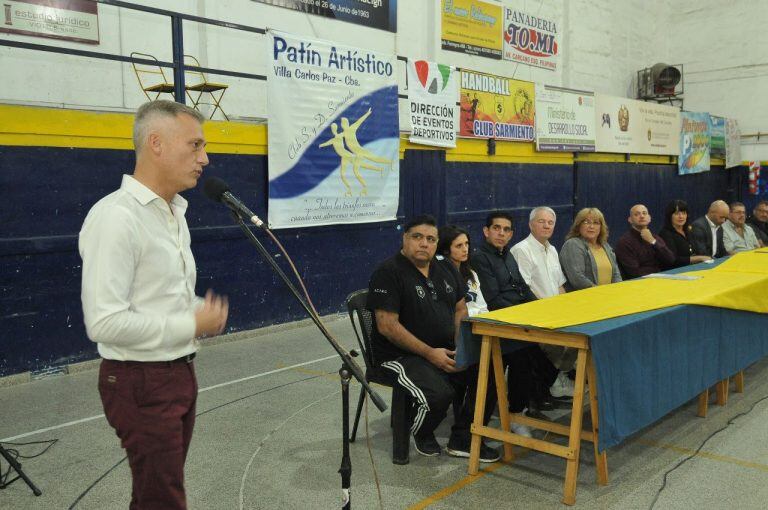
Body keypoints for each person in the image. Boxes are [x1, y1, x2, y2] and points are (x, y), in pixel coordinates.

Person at [79, 100, 229, 509]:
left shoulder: (174, 212)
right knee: (163, 498)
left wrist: (196, 311)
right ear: (157, 143)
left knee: (155, 494)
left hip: (179, 371)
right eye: (195, 145)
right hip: (139, 381)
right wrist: (189, 324)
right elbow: (104, 323)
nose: (205, 158)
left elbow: (162, 296)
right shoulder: (115, 218)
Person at [367, 215, 499, 462]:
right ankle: (421, 431)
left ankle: (462, 438)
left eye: (430, 239)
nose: (424, 244)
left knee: (489, 369)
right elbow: (387, 326)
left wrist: (462, 345)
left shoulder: (446, 268)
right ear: (404, 239)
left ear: (437, 243)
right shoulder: (388, 272)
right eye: (417, 237)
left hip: (445, 348)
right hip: (400, 356)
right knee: (441, 394)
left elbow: (461, 309)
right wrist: (429, 353)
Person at [471, 211, 541, 437]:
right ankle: (515, 414)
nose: (502, 233)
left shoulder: (508, 254)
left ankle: (521, 405)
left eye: (507, 230)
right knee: (524, 356)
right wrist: (524, 316)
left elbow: (522, 287)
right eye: (497, 228)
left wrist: (541, 309)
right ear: (486, 231)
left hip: (519, 317)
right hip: (498, 323)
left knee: (538, 351)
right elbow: (493, 300)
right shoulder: (480, 257)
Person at [436, 225, 500, 461]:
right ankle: (463, 437)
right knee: (488, 373)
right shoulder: (440, 273)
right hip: (453, 340)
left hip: (478, 330)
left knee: (504, 359)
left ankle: (474, 428)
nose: (465, 250)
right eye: (458, 245)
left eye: (467, 245)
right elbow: (449, 315)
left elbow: (482, 307)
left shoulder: (471, 273)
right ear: (445, 249)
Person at [510, 207, 574, 399]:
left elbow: (560, 284)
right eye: (541, 221)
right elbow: (525, 288)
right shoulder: (521, 250)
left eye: (550, 222)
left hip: (556, 313)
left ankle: (554, 380)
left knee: (579, 339)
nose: (546, 225)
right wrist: (548, 314)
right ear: (530, 225)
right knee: (559, 346)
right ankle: (548, 386)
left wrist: (569, 313)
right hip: (537, 315)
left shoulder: (552, 249)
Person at [559, 207, 622, 289]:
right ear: (578, 225)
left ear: (601, 227)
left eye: (596, 223)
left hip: (609, 296)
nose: (591, 226)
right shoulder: (573, 244)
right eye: (586, 222)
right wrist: (600, 293)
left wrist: (618, 289)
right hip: (586, 298)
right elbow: (577, 278)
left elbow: (616, 273)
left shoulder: (605, 245)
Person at [615, 204, 675, 278]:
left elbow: (671, 259)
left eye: (644, 213)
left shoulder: (655, 238)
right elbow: (634, 272)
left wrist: (653, 242)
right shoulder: (624, 242)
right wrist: (657, 271)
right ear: (630, 220)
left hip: (659, 279)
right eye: (637, 214)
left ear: (649, 218)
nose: (642, 216)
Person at [657, 200, 713, 267]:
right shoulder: (665, 234)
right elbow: (673, 260)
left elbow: (696, 251)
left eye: (684, 213)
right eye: (677, 213)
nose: (681, 216)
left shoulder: (689, 230)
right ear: (670, 216)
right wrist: (699, 258)